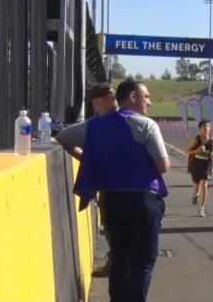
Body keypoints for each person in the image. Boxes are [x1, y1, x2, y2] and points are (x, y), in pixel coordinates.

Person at [55, 78, 170, 302]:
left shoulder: (96, 125)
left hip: (113, 200)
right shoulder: (146, 125)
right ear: (133, 97)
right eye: (146, 97)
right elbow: (163, 166)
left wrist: (91, 160)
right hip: (143, 200)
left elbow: (62, 137)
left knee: (119, 256)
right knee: (143, 260)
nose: (150, 102)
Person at [86, 82, 119, 276]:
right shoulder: (120, 117)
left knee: (111, 226)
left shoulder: (106, 121)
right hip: (119, 182)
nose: (95, 105)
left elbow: (66, 137)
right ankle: (116, 261)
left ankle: (115, 263)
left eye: (96, 101)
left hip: (112, 184)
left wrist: (87, 158)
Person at [185, 119, 213, 217]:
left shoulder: (212, 140)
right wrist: (197, 150)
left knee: (204, 184)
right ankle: (196, 194)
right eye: (203, 126)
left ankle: (201, 208)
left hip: (207, 165)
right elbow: (186, 151)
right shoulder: (196, 140)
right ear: (199, 129)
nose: (206, 128)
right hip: (196, 165)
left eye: (207, 126)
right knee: (196, 185)